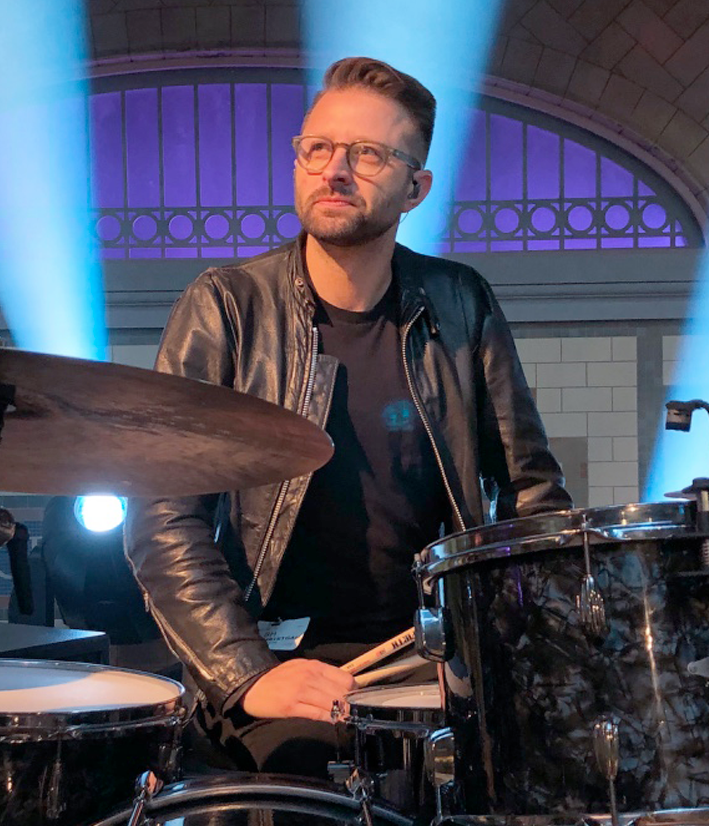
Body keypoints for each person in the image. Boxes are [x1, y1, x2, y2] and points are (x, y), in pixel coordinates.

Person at [125, 56, 572, 778]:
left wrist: (522, 645)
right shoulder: (228, 306)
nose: (334, 171)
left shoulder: (460, 303)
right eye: (318, 148)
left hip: (430, 652)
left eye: (367, 154)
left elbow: (532, 497)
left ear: (416, 187)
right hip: (273, 654)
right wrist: (246, 674)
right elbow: (161, 516)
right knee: (306, 777)